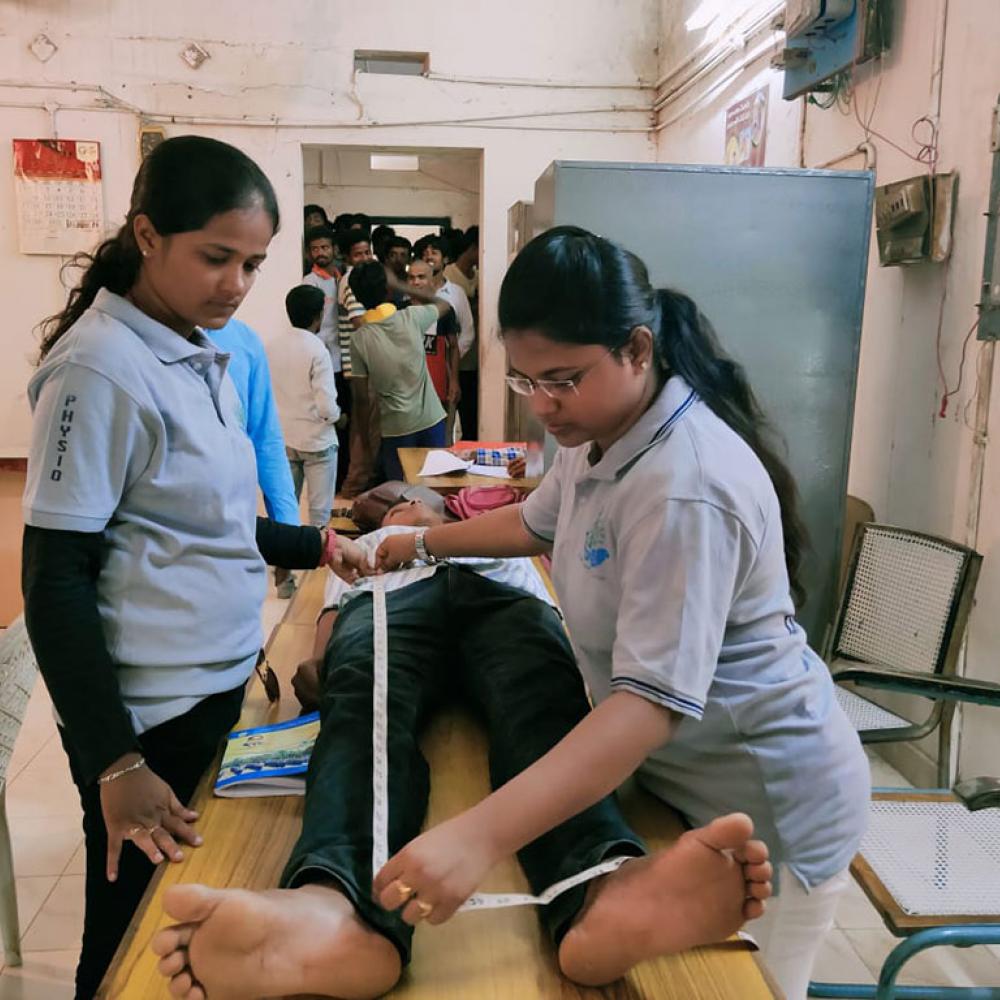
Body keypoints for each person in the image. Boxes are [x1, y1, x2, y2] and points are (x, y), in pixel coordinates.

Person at [370, 227, 871, 1000]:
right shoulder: (598, 431)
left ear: (637, 349)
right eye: (527, 381)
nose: (544, 405)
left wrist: (475, 838)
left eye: (562, 380)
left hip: (767, 807)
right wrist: (419, 543)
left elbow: (645, 708)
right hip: (678, 782)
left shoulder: (683, 487)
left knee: (728, 987)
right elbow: (535, 522)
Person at [152, 500, 772, 1000]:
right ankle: (337, 906)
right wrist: (322, 664)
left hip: (502, 603)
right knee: (363, 707)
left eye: (421, 507)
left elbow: (548, 601)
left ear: (450, 515)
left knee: (544, 705)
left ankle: (600, 887)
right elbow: (329, 629)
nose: (408, 509)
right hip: (390, 603)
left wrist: (435, 537)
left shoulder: (497, 543)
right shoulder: (369, 551)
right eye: (397, 509)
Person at [20, 135, 370, 1000]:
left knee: (182, 923)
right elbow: (54, 580)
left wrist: (318, 544)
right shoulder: (100, 369)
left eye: (252, 263)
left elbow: (204, 516)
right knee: (130, 939)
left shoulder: (196, 346)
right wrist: (114, 761)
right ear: (147, 235)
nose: (236, 284)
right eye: (216, 258)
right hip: (150, 716)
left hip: (208, 687)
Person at [347, 261, 452, 482]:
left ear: (357, 297)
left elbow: (361, 400)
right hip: (432, 420)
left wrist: (365, 442)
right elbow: (443, 304)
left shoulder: (359, 340)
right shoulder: (411, 317)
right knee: (436, 487)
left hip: (395, 429)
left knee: (400, 492)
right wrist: (400, 285)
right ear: (389, 289)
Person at [206, 317, 299, 527]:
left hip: (236, 519)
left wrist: (288, 525)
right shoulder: (138, 348)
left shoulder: (245, 341)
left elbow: (265, 439)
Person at [267, 283, 340, 541]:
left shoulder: (272, 346)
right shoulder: (317, 349)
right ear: (318, 315)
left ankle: (285, 562)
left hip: (285, 437)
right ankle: (318, 561)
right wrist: (337, 416)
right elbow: (326, 406)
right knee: (319, 515)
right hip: (317, 440)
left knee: (286, 508)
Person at [302, 226, 349, 484]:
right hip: (323, 361)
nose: (320, 252)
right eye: (315, 249)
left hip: (345, 360)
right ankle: (336, 478)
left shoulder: (343, 277)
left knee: (346, 421)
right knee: (331, 420)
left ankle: (344, 474)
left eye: (324, 247)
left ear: (334, 249)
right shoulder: (310, 282)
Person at [338, 232, 379, 495]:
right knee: (364, 429)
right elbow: (360, 324)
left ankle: (360, 483)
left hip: (363, 363)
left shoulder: (362, 278)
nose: (364, 258)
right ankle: (355, 486)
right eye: (358, 254)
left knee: (366, 427)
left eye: (367, 252)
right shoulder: (352, 282)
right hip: (359, 365)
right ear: (347, 257)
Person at [409, 258, 461, 444]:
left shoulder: (444, 310)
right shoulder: (399, 310)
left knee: (439, 444)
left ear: (432, 280)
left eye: (421, 277)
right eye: (411, 277)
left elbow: (453, 347)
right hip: (408, 394)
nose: (416, 282)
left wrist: (454, 381)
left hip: (438, 390)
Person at [444, 227, 480, 440]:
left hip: (475, 360)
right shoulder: (449, 277)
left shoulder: (478, 276)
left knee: (471, 420)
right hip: (453, 361)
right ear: (473, 248)